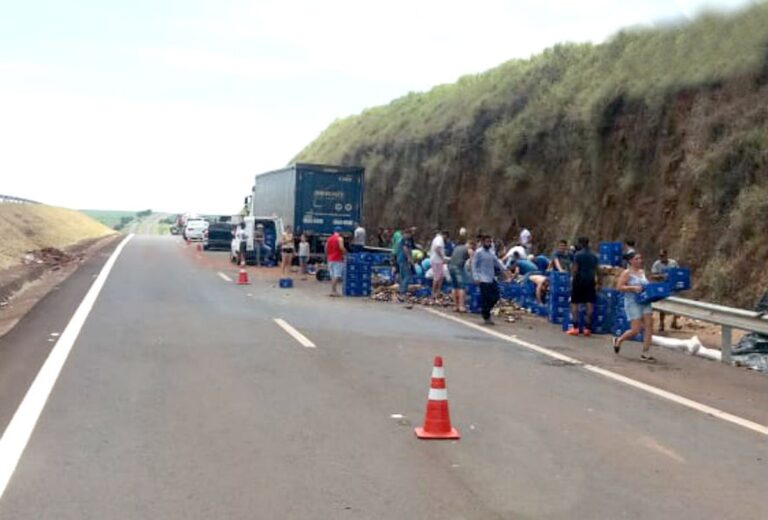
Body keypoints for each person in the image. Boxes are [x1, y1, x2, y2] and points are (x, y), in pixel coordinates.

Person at [613, 251, 655, 361]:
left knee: (649, 326)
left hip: (645, 301)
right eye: (636, 259)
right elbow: (619, 287)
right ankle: (619, 340)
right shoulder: (627, 273)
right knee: (635, 330)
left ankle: (645, 352)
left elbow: (647, 284)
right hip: (632, 302)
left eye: (640, 259)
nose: (639, 261)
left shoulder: (642, 272)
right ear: (630, 261)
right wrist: (633, 288)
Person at [471, 235, 511, 325]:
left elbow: (497, 262)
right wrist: (476, 277)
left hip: (491, 278)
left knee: (495, 297)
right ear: (482, 242)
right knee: (486, 298)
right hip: (482, 279)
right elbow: (474, 265)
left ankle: (486, 311)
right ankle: (486, 316)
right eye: (486, 242)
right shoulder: (478, 252)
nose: (488, 243)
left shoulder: (491, 252)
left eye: (489, 242)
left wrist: (505, 271)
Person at [566, 236, 599, 336]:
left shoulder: (578, 255)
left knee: (574, 303)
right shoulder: (594, 256)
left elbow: (575, 269)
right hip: (590, 281)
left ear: (580, 244)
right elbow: (597, 270)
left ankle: (575, 327)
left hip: (579, 280)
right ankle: (587, 328)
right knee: (589, 303)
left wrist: (572, 280)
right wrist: (598, 282)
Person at [651, 249, 681, 332]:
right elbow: (653, 276)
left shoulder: (673, 263)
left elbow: (678, 272)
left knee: (676, 305)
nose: (661, 258)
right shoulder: (657, 264)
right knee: (663, 307)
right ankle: (661, 323)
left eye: (663, 256)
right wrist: (661, 276)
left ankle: (674, 322)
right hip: (663, 287)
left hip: (673, 287)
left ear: (666, 255)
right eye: (660, 256)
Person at [448, 237, 471, 312]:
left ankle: (455, 306)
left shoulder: (457, 247)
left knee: (454, 286)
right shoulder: (468, 249)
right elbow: (472, 261)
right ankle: (461, 306)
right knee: (462, 287)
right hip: (458, 267)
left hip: (450, 266)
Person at [326, 227, 346, 297]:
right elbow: (341, 247)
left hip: (330, 259)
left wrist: (328, 255)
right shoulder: (340, 239)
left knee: (332, 275)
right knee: (337, 275)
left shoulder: (329, 239)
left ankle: (333, 290)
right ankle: (333, 291)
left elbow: (326, 248)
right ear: (340, 232)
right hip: (337, 259)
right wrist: (345, 252)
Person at [429, 229, 446, 299]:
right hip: (436, 260)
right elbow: (437, 248)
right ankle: (433, 293)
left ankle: (438, 292)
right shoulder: (440, 239)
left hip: (438, 261)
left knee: (441, 277)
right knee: (436, 277)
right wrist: (442, 257)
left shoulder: (436, 238)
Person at [396, 228, 413, 296]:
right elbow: (405, 249)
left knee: (402, 276)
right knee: (407, 275)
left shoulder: (401, 240)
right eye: (409, 234)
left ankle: (401, 290)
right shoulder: (404, 240)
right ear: (406, 234)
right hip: (404, 259)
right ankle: (403, 291)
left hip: (400, 259)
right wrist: (409, 258)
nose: (409, 236)